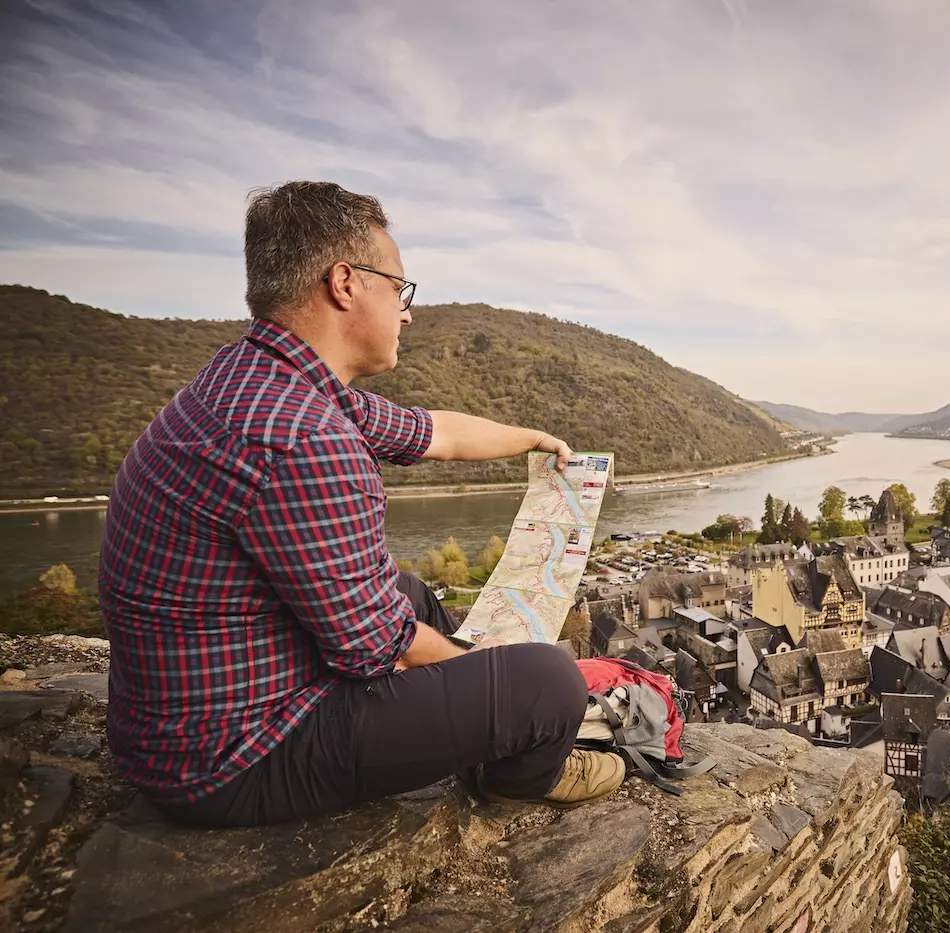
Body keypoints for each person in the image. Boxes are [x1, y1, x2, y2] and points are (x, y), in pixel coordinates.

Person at [98, 180, 624, 826]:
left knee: (406, 588)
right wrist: (497, 677)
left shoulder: (264, 376)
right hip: (233, 759)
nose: (407, 312)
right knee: (549, 682)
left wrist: (536, 442)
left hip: (184, 724)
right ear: (345, 283)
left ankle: (486, 723)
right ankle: (518, 771)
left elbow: (438, 432)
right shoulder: (303, 435)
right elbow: (385, 649)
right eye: (399, 289)